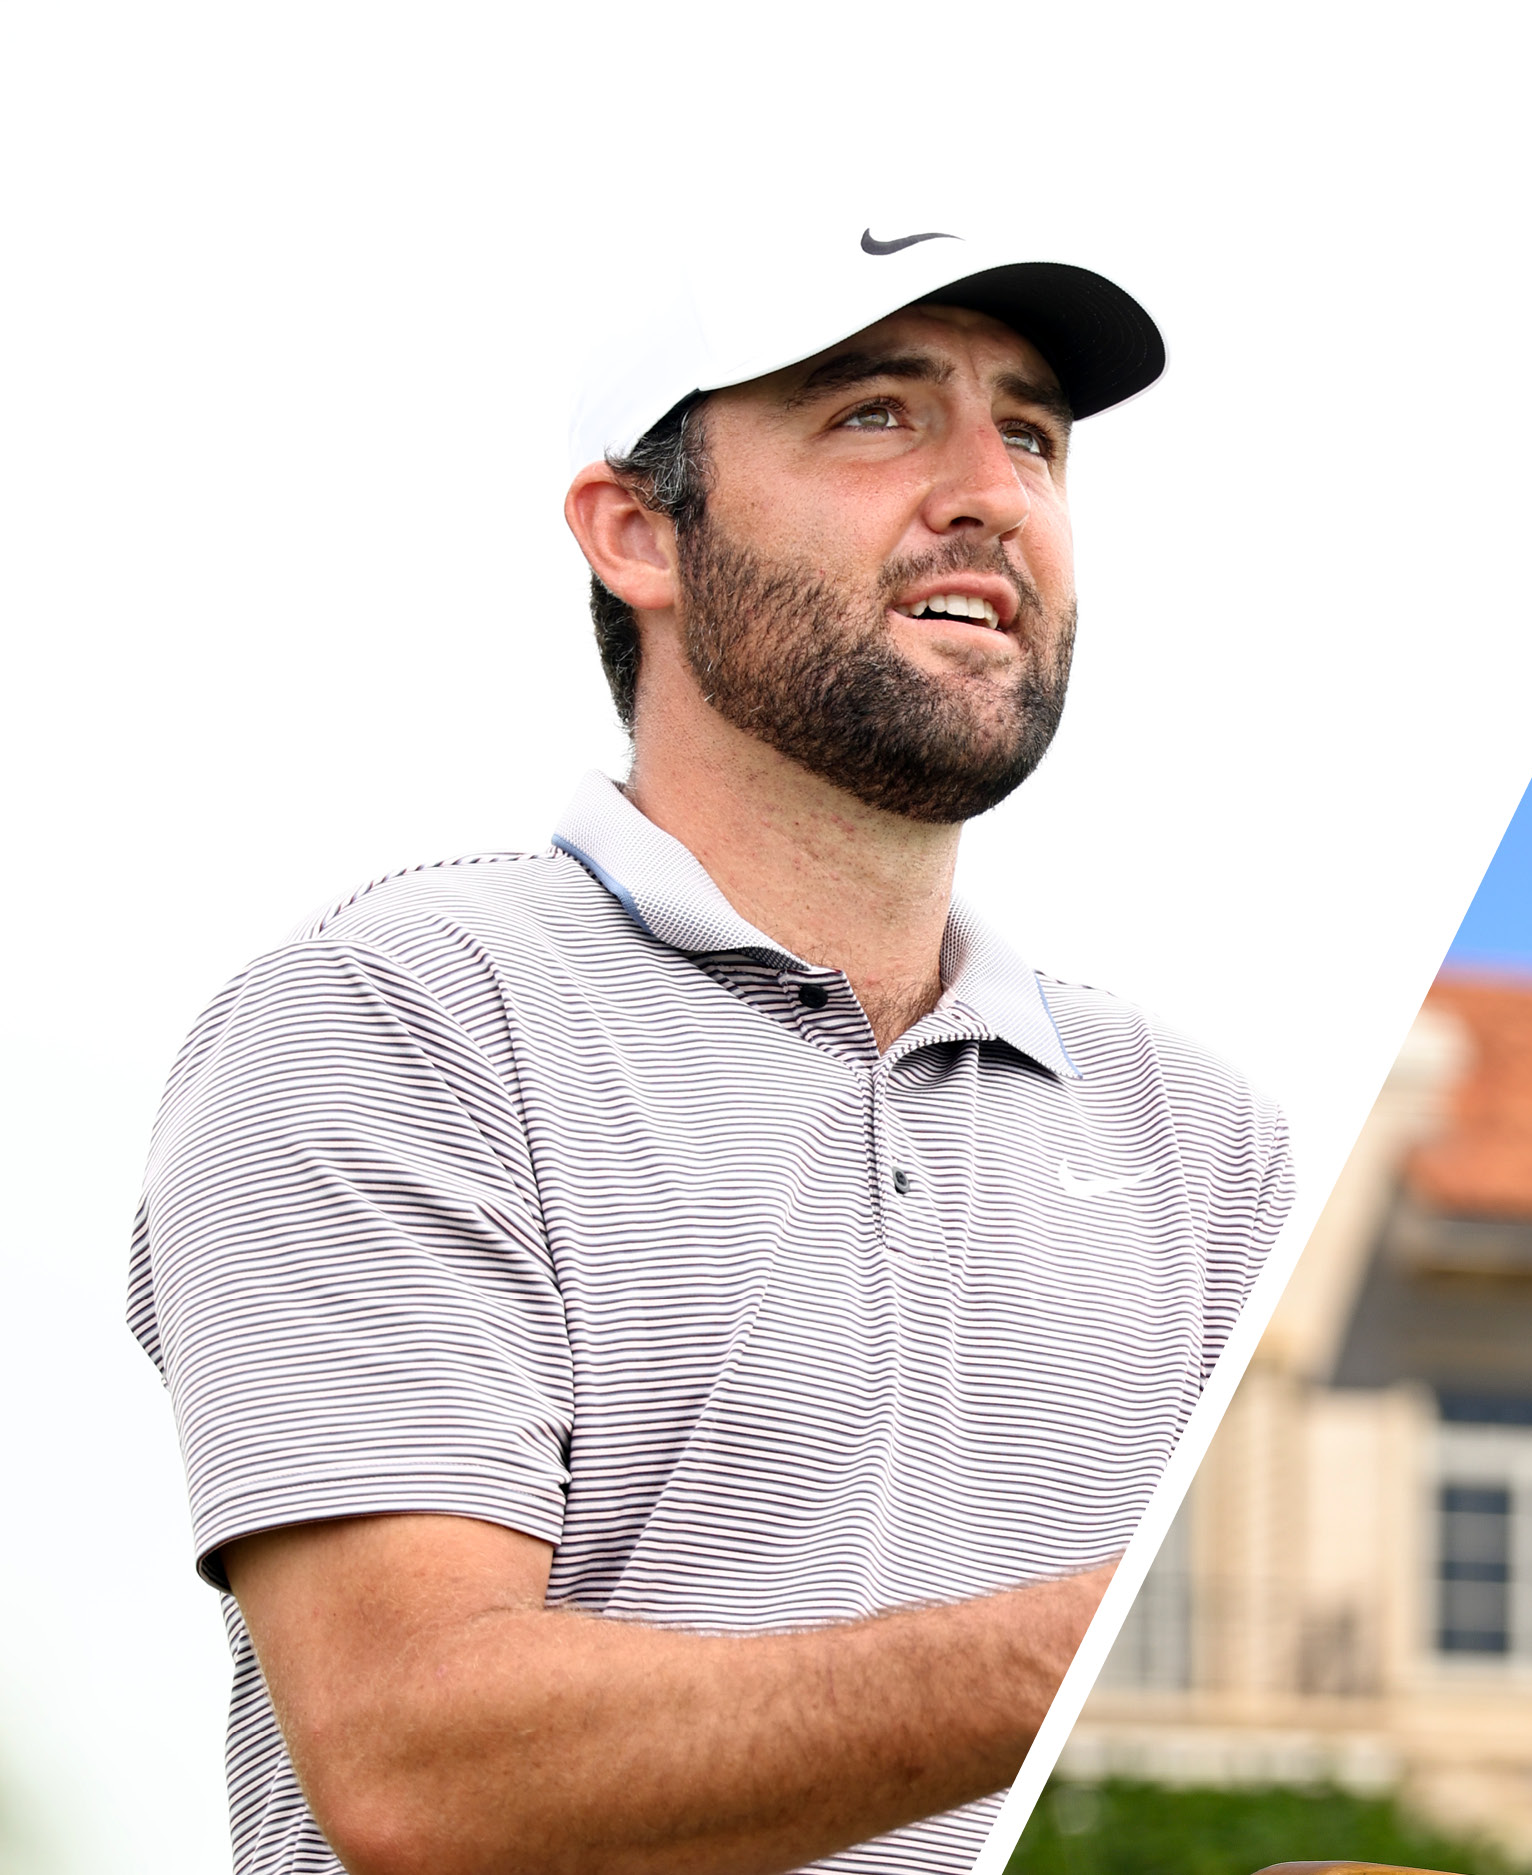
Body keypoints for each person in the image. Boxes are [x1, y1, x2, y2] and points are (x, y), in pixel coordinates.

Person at [129, 226, 1291, 1875]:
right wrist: (1111, 1647)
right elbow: (424, 1767)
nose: (991, 492)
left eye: (1030, 435)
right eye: (876, 416)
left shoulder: (1209, 1141)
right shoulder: (392, 1019)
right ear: (636, 536)